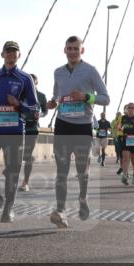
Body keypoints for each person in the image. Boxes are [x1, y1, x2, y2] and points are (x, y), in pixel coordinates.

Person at [46, 36, 109, 227]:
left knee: (83, 171)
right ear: (64, 50)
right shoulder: (58, 72)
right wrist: (52, 103)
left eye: (76, 49)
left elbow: (105, 98)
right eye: (69, 48)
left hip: (82, 127)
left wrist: (86, 96)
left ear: (82, 51)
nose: (72, 52)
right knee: (62, 172)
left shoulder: (90, 71)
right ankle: (61, 211)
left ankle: (83, 198)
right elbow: (57, 96)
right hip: (63, 125)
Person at [0, 41, 38, 223]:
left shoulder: (25, 78)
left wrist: (18, 104)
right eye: (8, 51)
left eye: (15, 52)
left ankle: (8, 209)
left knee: (12, 171)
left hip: (14, 131)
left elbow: (34, 107)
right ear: (3, 54)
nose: (11, 54)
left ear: (19, 55)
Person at [19, 73, 48, 192]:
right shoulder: (20, 94)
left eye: (32, 82)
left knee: (28, 156)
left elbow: (45, 111)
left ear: (36, 83)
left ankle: (25, 183)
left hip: (33, 128)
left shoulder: (41, 96)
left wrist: (40, 115)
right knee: (17, 154)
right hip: (19, 127)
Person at [112, 109, 125, 175]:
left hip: (128, 137)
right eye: (127, 108)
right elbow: (116, 125)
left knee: (127, 154)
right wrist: (118, 127)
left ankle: (124, 169)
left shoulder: (133, 117)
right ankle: (121, 167)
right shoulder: (120, 118)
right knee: (120, 152)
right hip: (119, 136)